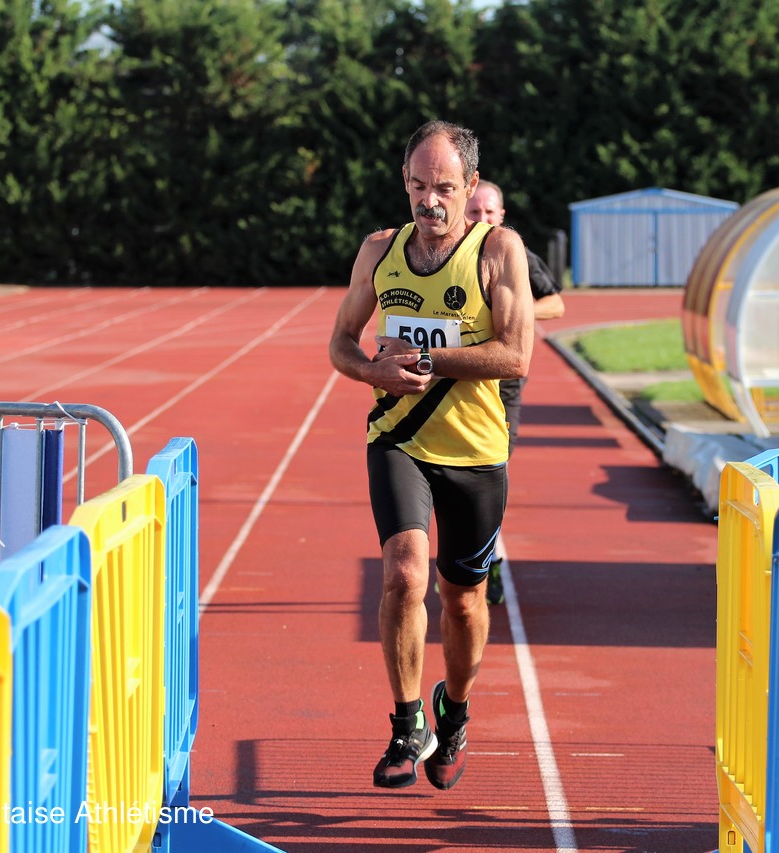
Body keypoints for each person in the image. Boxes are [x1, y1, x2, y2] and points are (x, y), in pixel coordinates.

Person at [329, 120, 533, 790]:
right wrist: (371, 372)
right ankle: (406, 720)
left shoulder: (497, 251)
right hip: (398, 438)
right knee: (402, 575)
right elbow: (340, 342)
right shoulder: (379, 251)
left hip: (475, 450)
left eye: (443, 187)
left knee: (464, 601)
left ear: (470, 186)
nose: (429, 200)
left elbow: (515, 355)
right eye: (418, 185)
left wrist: (425, 358)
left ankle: (456, 709)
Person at [464, 180, 565, 605]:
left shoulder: (516, 252)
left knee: (492, 473)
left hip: (503, 387)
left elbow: (556, 303)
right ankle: (460, 561)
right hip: (457, 381)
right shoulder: (446, 254)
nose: (482, 219)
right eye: (474, 212)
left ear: (502, 215)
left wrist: (512, 313)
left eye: (489, 212)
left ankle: (486, 562)